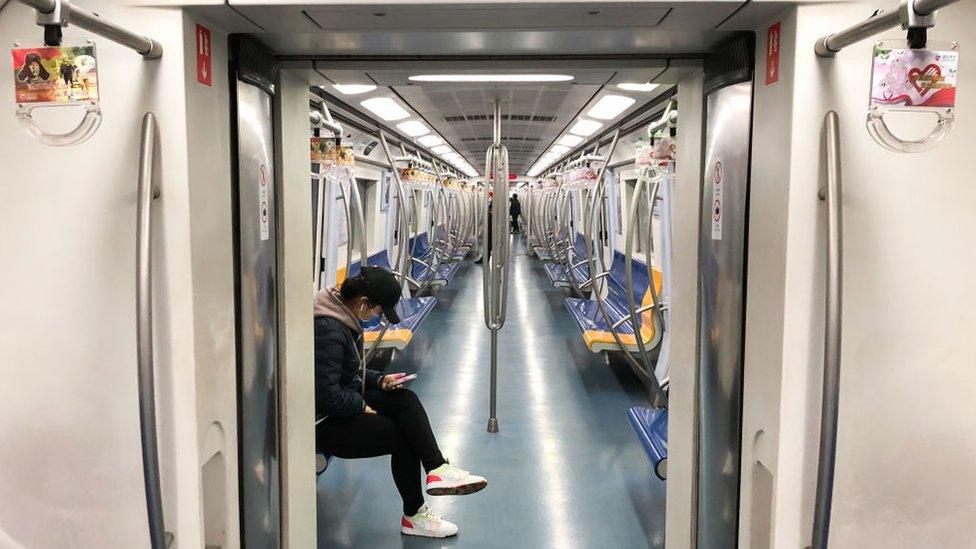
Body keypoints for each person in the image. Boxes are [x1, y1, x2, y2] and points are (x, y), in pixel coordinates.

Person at [314, 266, 488, 538]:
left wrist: (378, 380)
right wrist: (361, 407)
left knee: (405, 399)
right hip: (322, 422)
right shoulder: (329, 329)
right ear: (363, 303)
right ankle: (414, 515)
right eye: (379, 311)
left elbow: (344, 374)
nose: (378, 317)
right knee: (402, 437)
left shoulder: (339, 313)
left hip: (338, 403)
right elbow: (326, 395)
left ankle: (437, 468)